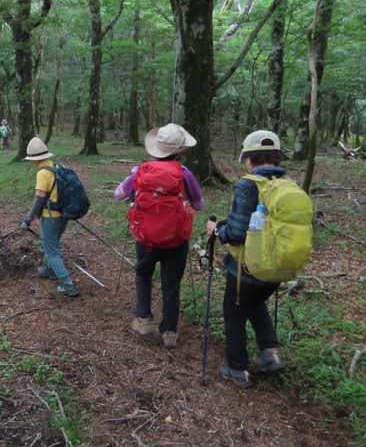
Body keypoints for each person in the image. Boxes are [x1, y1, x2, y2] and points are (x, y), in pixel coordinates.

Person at [206, 130, 288, 389]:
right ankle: (271, 353)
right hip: (279, 265)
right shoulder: (288, 184)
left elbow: (237, 233)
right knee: (256, 305)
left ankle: (237, 368)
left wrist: (216, 230)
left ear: (249, 158)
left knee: (234, 313)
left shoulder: (248, 184)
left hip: (248, 267)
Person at [115, 124, 204, 349]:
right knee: (171, 284)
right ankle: (170, 332)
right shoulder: (185, 174)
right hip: (176, 240)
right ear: (180, 151)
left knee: (143, 275)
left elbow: (119, 194)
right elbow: (199, 204)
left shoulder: (140, 172)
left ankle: (143, 318)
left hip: (146, 238)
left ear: (154, 148)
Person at [19, 137, 79, 298]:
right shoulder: (58, 166)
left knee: (50, 250)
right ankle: (51, 270)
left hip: (50, 217)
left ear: (34, 159)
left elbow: (39, 198)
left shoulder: (43, 173)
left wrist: (28, 219)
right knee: (54, 243)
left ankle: (69, 284)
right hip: (63, 215)